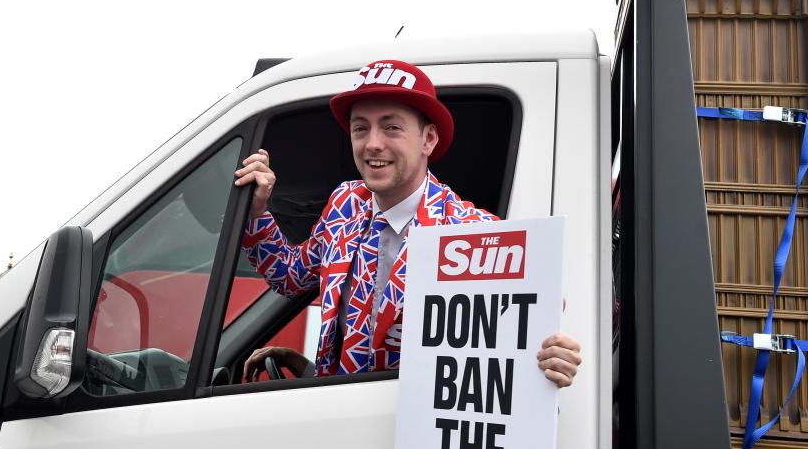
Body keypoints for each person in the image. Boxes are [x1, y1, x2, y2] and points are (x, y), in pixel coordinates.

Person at [234, 59, 582, 386]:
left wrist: (553, 356)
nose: (373, 144)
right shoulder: (345, 203)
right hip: (338, 422)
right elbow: (291, 278)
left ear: (428, 139)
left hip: (417, 436)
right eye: (360, 128)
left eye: (392, 127)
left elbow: (525, 333)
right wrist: (256, 212)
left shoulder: (474, 233)